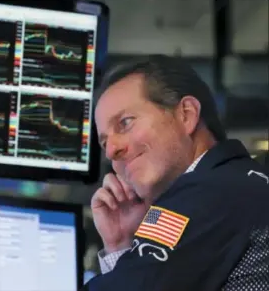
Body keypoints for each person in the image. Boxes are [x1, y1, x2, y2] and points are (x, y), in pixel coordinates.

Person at [83, 55, 269, 291]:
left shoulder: (208, 193)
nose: (111, 150)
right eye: (104, 142)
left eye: (125, 123)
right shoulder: (237, 182)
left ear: (187, 115)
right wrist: (121, 244)